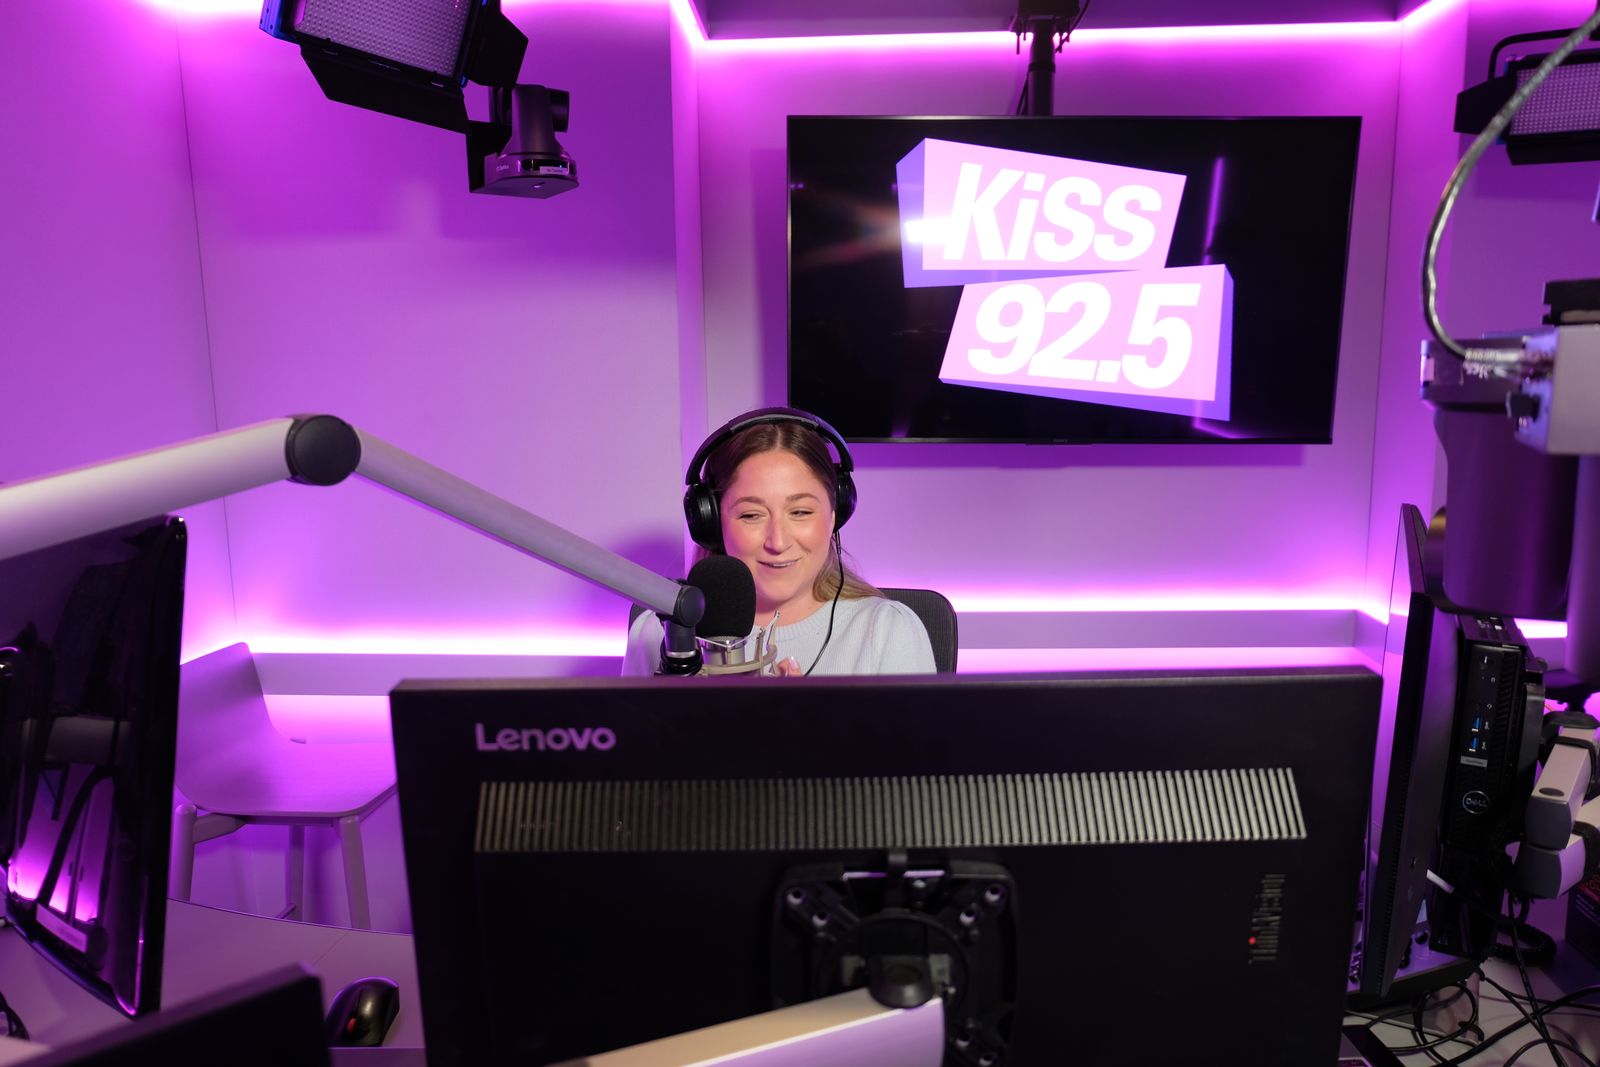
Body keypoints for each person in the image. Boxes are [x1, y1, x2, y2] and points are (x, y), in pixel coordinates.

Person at [623, 408, 936, 676]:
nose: (778, 541)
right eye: (751, 515)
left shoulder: (888, 632)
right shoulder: (660, 634)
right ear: (713, 523)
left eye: (800, 512)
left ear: (834, 517)